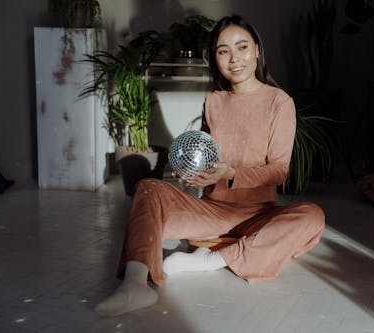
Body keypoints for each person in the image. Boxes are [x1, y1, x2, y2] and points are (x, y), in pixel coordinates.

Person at [95, 14, 325, 317]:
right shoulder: (214, 101)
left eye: (242, 47)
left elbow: (280, 170)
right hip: (213, 213)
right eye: (223, 51)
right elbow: (206, 155)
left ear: (257, 50)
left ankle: (209, 260)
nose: (234, 58)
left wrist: (232, 174)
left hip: (259, 215)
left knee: (312, 217)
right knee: (148, 187)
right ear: (214, 58)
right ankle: (135, 283)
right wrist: (193, 175)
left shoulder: (279, 102)